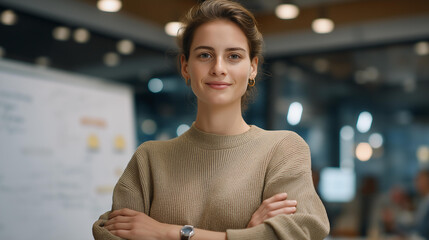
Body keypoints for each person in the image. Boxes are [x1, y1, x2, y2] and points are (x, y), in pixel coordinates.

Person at [92, 0, 330, 239]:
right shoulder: (150, 158)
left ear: (253, 68)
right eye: (205, 55)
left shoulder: (283, 149)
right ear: (185, 66)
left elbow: (302, 232)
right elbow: (109, 234)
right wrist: (248, 234)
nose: (218, 68)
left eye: (234, 56)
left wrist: (167, 232)